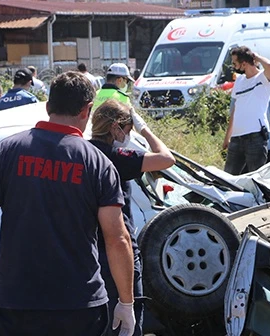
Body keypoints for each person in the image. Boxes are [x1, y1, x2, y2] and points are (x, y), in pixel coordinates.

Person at [0, 72, 136, 336]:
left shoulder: (7, 151)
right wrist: (126, 302)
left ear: (48, 106)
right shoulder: (98, 164)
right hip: (79, 305)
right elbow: (117, 238)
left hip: (15, 302)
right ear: (86, 110)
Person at [89, 99, 175, 336]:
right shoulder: (117, 156)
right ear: (116, 128)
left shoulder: (83, 151)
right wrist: (145, 129)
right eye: (128, 130)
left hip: (88, 251)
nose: (129, 134)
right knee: (128, 325)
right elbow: (166, 159)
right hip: (119, 252)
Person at [222, 46, 270, 175]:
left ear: (244, 64)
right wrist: (227, 137)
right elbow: (235, 110)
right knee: (228, 177)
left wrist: (255, 57)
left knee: (256, 177)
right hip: (236, 138)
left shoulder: (262, 79)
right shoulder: (239, 81)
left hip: (255, 137)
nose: (233, 66)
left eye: (235, 63)